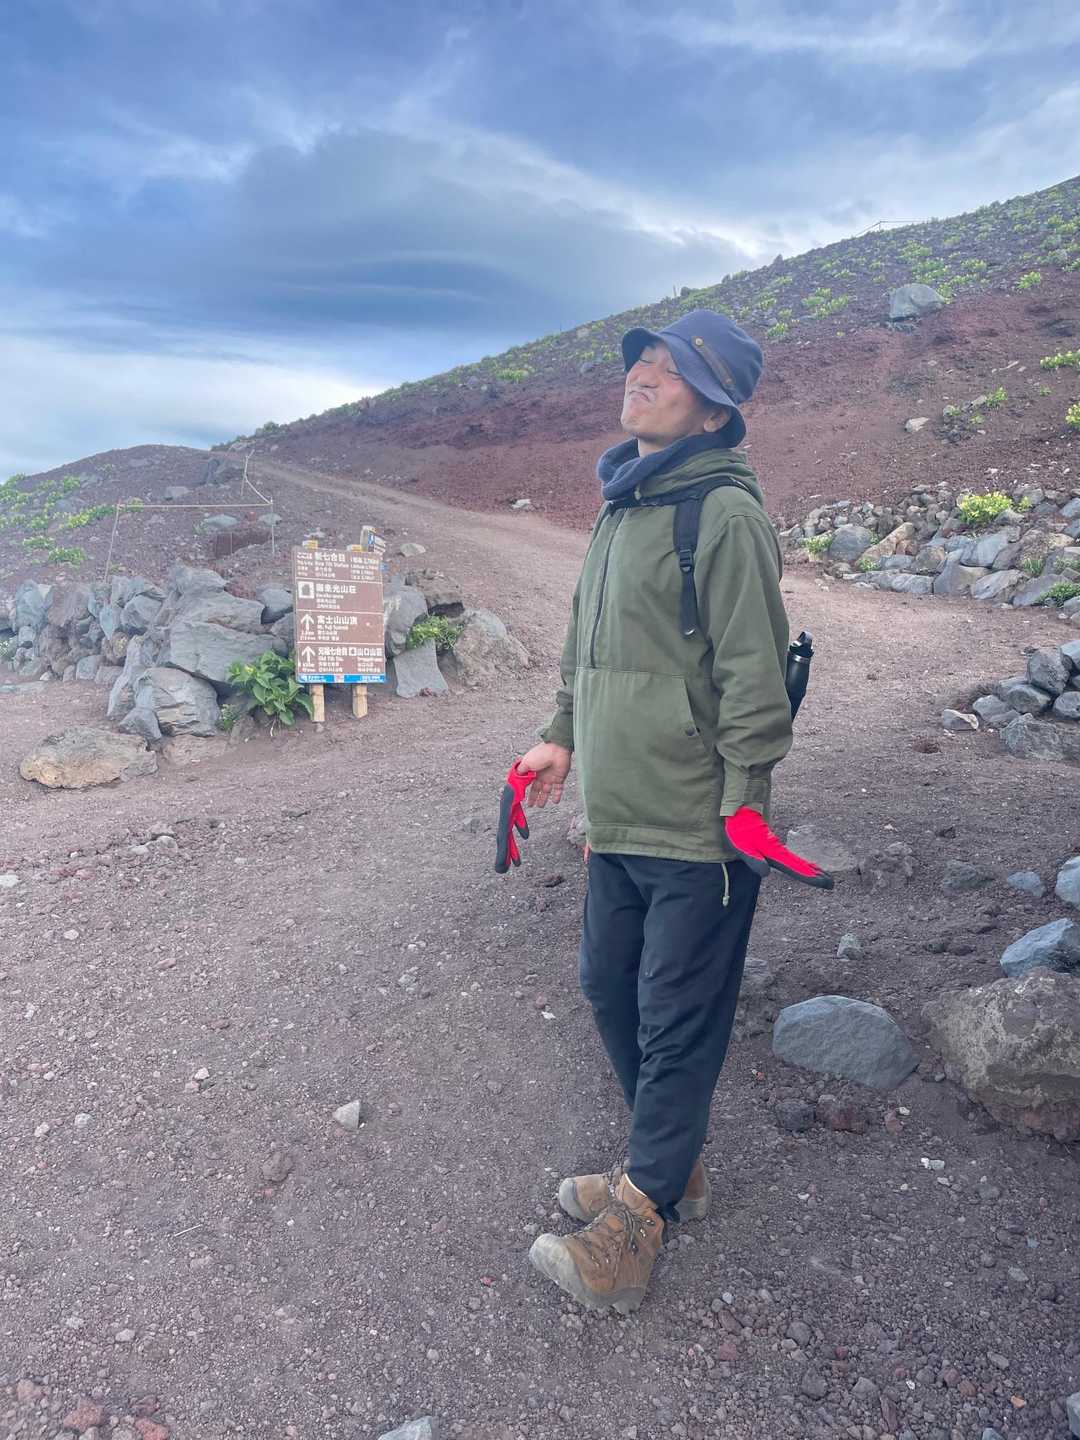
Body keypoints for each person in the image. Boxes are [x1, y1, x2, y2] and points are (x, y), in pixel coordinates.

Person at [516, 308, 830, 1314]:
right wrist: (562, 733)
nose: (643, 375)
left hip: (699, 824)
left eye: (670, 369)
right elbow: (588, 643)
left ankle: (635, 1226)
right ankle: (672, 1165)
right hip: (619, 811)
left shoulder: (724, 515)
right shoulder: (624, 505)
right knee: (608, 988)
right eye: (642, 361)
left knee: (675, 1017)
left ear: (714, 410)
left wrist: (744, 809)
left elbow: (754, 682)